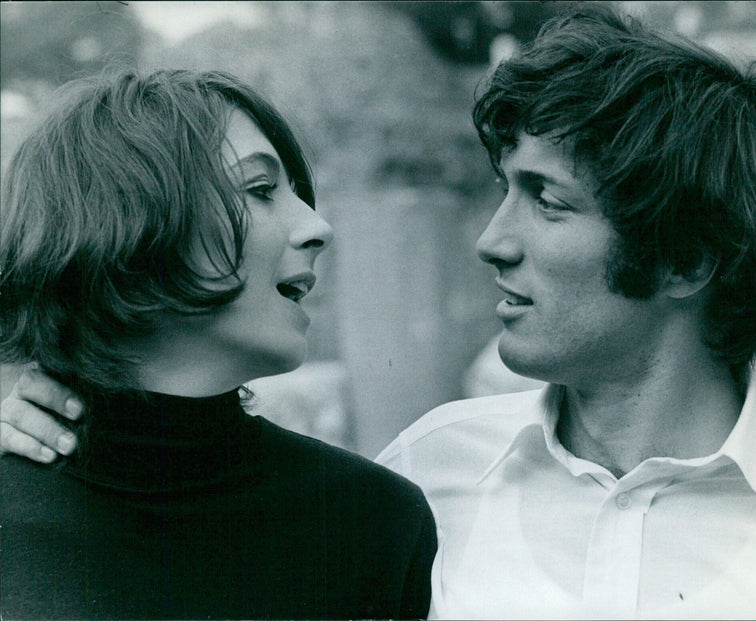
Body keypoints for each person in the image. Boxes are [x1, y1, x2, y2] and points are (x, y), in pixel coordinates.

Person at [3, 5, 756, 619]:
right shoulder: (423, 474)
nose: (489, 241)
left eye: (547, 202)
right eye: (501, 191)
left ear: (690, 260)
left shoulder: (363, 512)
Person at [0, 68, 436, 620]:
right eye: (260, 190)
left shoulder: (374, 520)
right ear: (125, 219)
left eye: (300, 196)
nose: (318, 228)